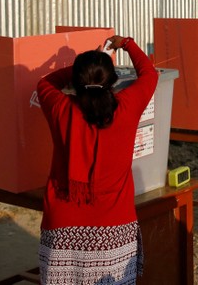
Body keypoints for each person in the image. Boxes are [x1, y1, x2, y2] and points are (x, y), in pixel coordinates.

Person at [36, 35, 159, 285]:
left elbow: (45, 81)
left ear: (77, 82)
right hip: (113, 229)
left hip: (63, 227)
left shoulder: (59, 107)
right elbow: (150, 75)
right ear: (111, 80)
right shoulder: (127, 107)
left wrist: (86, 67)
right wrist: (125, 44)